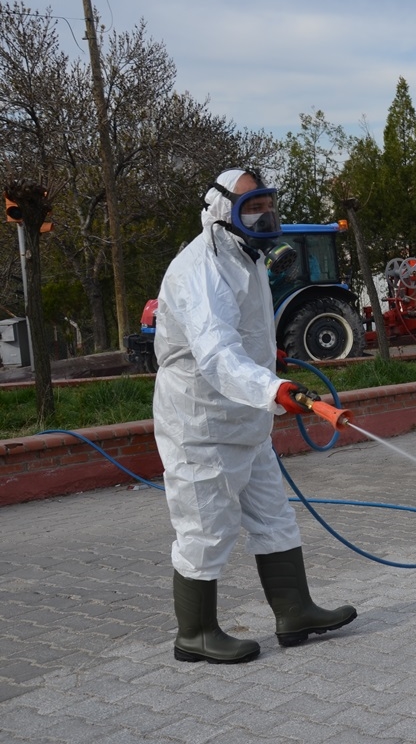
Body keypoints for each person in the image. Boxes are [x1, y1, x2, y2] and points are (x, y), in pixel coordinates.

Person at [152, 168, 357, 665]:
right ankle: (195, 633)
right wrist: (273, 387)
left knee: (274, 517)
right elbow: (217, 354)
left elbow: (245, 331)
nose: (265, 215)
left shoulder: (247, 257)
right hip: (202, 421)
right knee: (206, 527)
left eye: (268, 205)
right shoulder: (200, 267)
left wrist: (271, 360)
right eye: (253, 207)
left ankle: (295, 612)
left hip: (247, 418)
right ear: (224, 211)